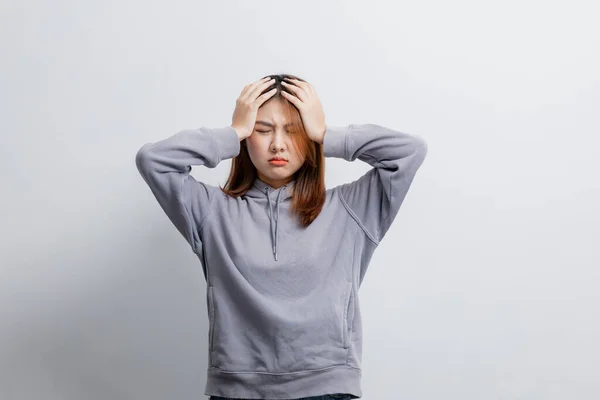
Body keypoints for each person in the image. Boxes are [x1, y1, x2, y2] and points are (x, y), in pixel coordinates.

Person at [135, 74, 428, 400]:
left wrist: (326, 134)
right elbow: (153, 161)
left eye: (293, 130)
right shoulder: (211, 212)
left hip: (327, 388)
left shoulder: (350, 209)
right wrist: (233, 134)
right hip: (237, 390)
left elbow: (410, 152)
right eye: (262, 129)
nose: (278, 143)